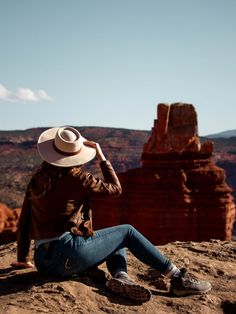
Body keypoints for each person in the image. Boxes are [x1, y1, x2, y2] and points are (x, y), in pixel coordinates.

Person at [12, 126, 211, 303]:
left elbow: (24, 222)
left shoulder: (37, 179)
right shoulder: (77, 177)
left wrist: (23, 259)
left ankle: (121, 278)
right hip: (67, 254)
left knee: (112, 238)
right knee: (127, 232)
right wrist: (102, 156)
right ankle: (178, 278)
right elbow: (115, 189)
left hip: (44, 262)